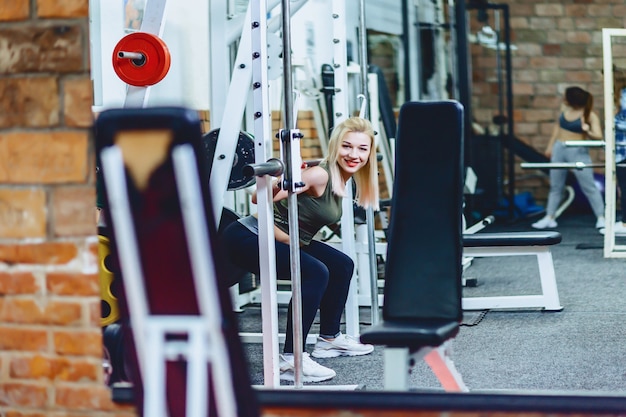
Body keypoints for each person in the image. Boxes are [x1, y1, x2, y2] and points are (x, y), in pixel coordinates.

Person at [221, 117, 379, 383]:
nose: (354, 154)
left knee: (341, 265)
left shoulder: (344, 179)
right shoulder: (321, 174)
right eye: (347, 146)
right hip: (247, 236)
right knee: (315, 273)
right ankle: (291, 359)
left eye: (362, 149)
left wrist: (292, 241)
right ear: (335, 147)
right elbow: (259, 199)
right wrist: (279, 179)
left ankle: (329, 339)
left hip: (280, 238)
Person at [532, 86, 606, 229]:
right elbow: (557, 127)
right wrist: (550, 146)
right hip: (560, 148)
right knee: (556, 185)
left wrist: (587, 130)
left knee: (589, 186)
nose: (563, 99)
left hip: (577, 150)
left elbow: (598, 136)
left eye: (566, 97)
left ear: (573, 100)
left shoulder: (589, 115)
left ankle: (601, 217)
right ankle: (549, 217)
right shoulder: (564, 109)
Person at [600, 86, 626, 236]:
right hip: (620, 153)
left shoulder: (624, 97)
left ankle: (624, 224)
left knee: (625, 188)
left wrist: (612, 119)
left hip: (624, 153)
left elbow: (620, 123)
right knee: (623, 188)